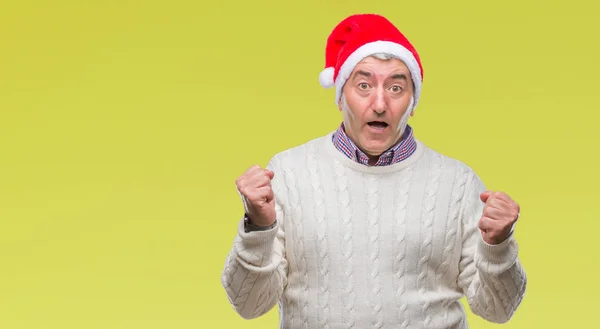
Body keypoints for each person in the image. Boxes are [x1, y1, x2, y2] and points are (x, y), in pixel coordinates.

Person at [220, 13, 527, 329]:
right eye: (363, 85)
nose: (380, 104)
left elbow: (498, 310)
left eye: (396, 88)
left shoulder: (457, 183)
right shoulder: (288, 173)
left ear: (413, 101)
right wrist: (258, 227)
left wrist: (498, 245)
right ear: (340, 96)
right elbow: (249, 304)